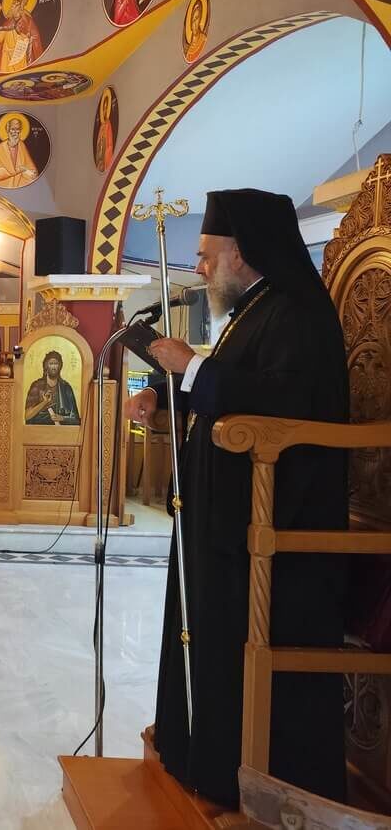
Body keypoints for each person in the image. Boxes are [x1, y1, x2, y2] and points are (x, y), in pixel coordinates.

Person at [124, 188, 350, 807]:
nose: (199, 267)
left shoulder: (297, 312)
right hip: (228, 515)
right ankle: (199, 751)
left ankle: (234, 771)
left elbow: (287, 401)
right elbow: (241, 389)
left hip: (277, 525)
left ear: (241, 252)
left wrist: (193, 369)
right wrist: (165, 394)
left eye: (206, 254)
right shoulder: (255, 311)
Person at [0, 0, 44, 73]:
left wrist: (26, 36)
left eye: (18, 0)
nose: (14, 3)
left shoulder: (27, 21)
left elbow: (35, 39)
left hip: (19, 59)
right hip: (6, 61)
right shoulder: (8, 23)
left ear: (22, 4)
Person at [24, 350, 79, 424]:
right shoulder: (37, 386)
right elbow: (27, 416)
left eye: (56, 364)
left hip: (61, 429)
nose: (53, 367)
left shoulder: (66, 388)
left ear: (60, 366)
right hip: (38, 428)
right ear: (46, 366)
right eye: (51, 364)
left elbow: (76, 419)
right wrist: (44, 402)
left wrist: (62, 418)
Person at [0, 116, 39, 189]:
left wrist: (32, 172)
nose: (15, 132)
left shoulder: (21, 145)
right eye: (13, 129)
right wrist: (17, 170)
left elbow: (29, 166)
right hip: (4, 183)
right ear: (8, 130)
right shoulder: (0, 148)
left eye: (17, 129)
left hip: (20, 181)